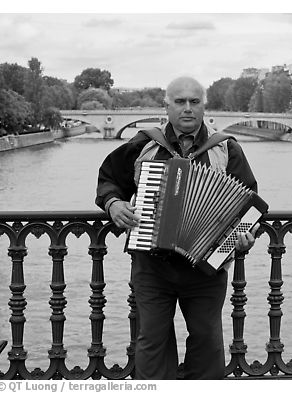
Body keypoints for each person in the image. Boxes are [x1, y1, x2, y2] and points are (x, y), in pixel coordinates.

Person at [95, 76, 259, 379]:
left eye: (194, 102)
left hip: (205, 268)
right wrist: (114, 204)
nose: (187, 109)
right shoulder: (144, 143)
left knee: (208, 343)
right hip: (151, 265)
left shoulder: (226, 148)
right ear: (166, 106)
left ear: (204, 107)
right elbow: (108, 179)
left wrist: (243, 237)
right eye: (180, 102)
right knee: (152, 343)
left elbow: (248, 203)